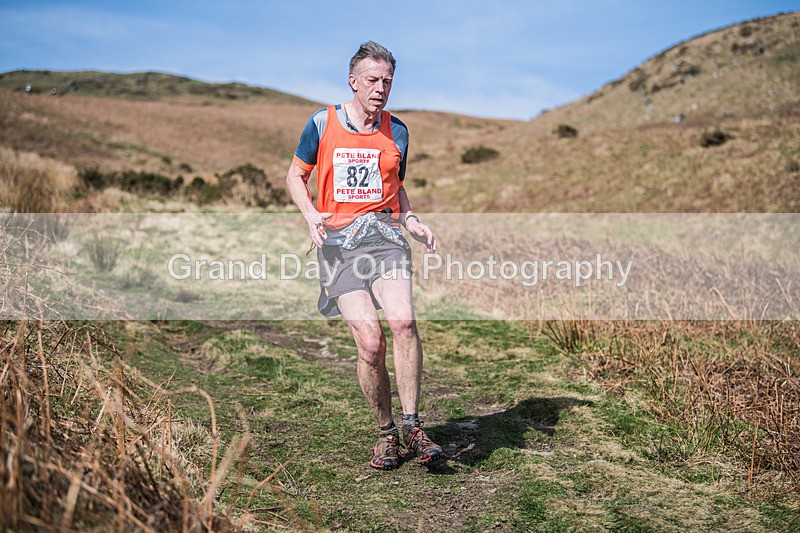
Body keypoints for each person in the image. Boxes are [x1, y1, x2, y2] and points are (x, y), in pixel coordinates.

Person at [285, 41, 445, 470]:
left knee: (404, 323)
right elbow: (295, 176)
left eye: (387, 81)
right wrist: (310, 214)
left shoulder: (398, 131)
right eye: (372, 80)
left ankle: (413, 426)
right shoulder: (322, 123)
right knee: (371, 344)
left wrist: (412, 221)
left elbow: (397, 187)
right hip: (338, 247)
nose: (380, 88)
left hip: (384, 238)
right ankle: (386, 433)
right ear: (353, 81)